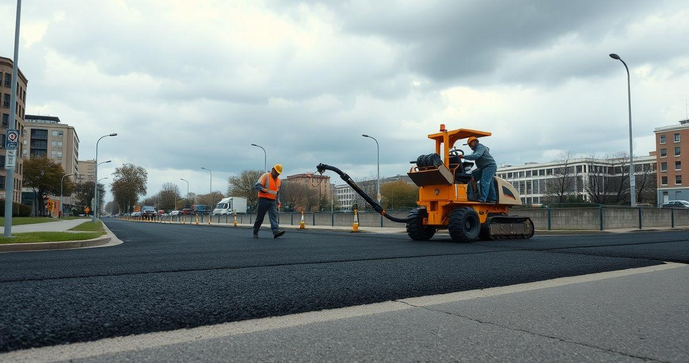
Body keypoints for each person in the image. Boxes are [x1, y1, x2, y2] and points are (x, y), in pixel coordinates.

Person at [253, 164, 285, 239]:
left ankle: (275, 231)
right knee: (260, 217)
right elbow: (257, 186)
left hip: (272, 201)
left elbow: (277, 192)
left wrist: (278, 201)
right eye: (276, 172)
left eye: (278, 173)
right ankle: (255, 231)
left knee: (273, 216)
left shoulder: (279, 181)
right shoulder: (266, 176)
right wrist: (263, 190)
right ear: (273, 169)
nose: (277, 174)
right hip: (263, 199)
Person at [461, 136, 497, 203]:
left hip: (489, 166)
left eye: (470, 144)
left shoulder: (480, 147)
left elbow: (476, 156)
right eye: (468, 145)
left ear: (474, 142)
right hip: (483, 167)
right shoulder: (477, 150)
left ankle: (483, 199)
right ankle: (491, 199)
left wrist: (463, 156)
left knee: (484, 181)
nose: (469, 146)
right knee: (473, 176)